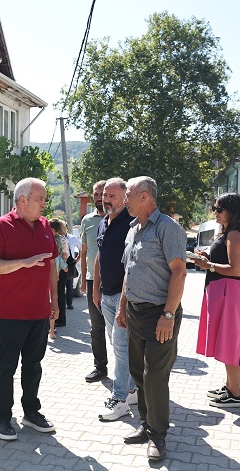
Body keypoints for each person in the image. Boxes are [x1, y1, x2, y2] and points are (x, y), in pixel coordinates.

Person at [0, 177, 59, 441]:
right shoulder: (1, 226)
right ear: (23, 200)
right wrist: (23, 263)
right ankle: (2, 417)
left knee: (33, 365)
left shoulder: (46, 226)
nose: (44, 203)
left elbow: (51, 266)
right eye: (40, 199)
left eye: (45, 199)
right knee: (6, 366)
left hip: (39, 311)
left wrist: (55, 301)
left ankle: (31, 411)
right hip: (10, 312)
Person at [118, 176, 186, 461]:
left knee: (155, 375)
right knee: (138, 372)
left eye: (129, 194)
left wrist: (168, 315)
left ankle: (158, 435)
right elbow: (128, 272)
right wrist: (123, 307)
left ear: (145, 196)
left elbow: (179, 272)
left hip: (161, 313)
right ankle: (146, 425)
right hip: (135, 312)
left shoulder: (168, 228)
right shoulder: (133, 228)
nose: (125, 199)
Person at [194, 193, 240, 408]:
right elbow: (225, 262)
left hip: (231, 293)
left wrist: (208, 266)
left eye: (219, 209)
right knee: (227, 340)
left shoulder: (234, 234)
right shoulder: (229, 232)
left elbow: (236, 269)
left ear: (231, 211)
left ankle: (235, 394)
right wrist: (207, 259)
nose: (214, 212)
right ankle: (229, 387)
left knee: (233, 342)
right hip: (224, 292)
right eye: (215, 208)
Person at [93, 178, 137, 422]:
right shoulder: (103, 222)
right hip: (106, 294)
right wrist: (95, 289)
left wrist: (124, 300)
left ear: (124, 198)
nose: (106, 199)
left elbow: (133, 265)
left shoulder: (131, 224)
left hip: (124, 296)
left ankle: (119, 399)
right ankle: (131, 389)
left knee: (121, 348)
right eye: (104, 195)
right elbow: (100, 256)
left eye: (111, 196)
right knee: (118, 346)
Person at [81, 180, 108, 383]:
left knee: (120, 329)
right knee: (96, 327)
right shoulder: (87, 221)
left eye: (103, 193)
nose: (99, 197)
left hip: (116, 282)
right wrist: (83, 280)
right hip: (92, 281)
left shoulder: (122, 218)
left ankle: (126, 372)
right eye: (96, 194)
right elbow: (84, 253)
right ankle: (100, 367)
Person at [48, 218, 69, 339]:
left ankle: (54, 324)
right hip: (59, 269)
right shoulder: (62, 239)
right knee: (57, 296)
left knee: (55, 297)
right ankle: (55, 324)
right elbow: (65, 256)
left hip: (56, 269)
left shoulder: (57, 240)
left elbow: (63, 255)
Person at [65, 227, 81, 305]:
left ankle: (69, 304)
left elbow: (81, 248)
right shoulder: (56, 238)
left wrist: (77, 259)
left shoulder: (72, 238)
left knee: (69, 285)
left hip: (70, 263)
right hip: (59, 264)